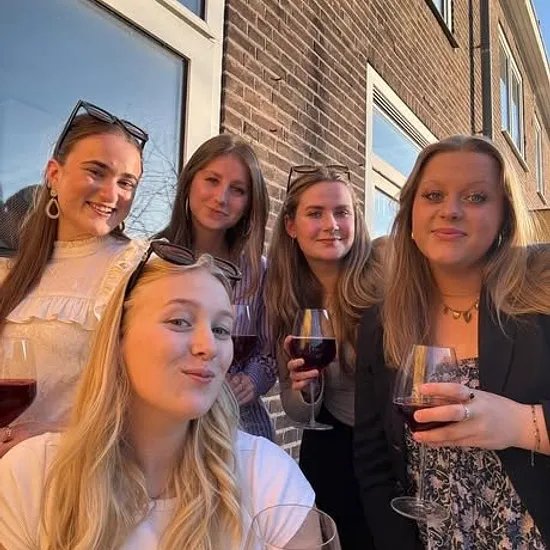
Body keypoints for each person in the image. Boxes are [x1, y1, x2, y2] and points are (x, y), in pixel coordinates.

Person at [0, 242, 315, 550]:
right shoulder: (31, 476)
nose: (208, 347)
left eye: (221, 329)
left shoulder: (267, 479)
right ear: (119, 337)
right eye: (179, 321)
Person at [354, 135, 550, 549]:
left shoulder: (542, 297)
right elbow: (374, 462)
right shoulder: (382, 323)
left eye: (476, 197)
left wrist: (524, 424)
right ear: (410, 215)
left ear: (505, 218)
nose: (451, 210)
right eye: (433, 195)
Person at [0, 100, 149, 457]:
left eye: (126, 183)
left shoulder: (139, 269)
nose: (111, 194)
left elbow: (157, 405)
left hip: (76, 474)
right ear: (54, 174)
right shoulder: (13, 270)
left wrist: (60, 437)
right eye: (96, 172)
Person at [265, 165, 385, 550]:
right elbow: (297, 412)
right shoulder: (285, 297)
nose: (331, 225)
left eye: (341, 212)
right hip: (332, 446)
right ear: (291, 226)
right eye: (315, 213)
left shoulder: (386, 271)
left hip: (393, 444)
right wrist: (307, 391)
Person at [157, 134, 277, 440]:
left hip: (237, 424)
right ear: (190, 181)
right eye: (212, 180)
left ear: (249, 203)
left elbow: (267, 353)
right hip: (163, 424)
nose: (221, 197)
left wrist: (252, 381)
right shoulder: (154, 259)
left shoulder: (259, 271)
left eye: (238, 190)